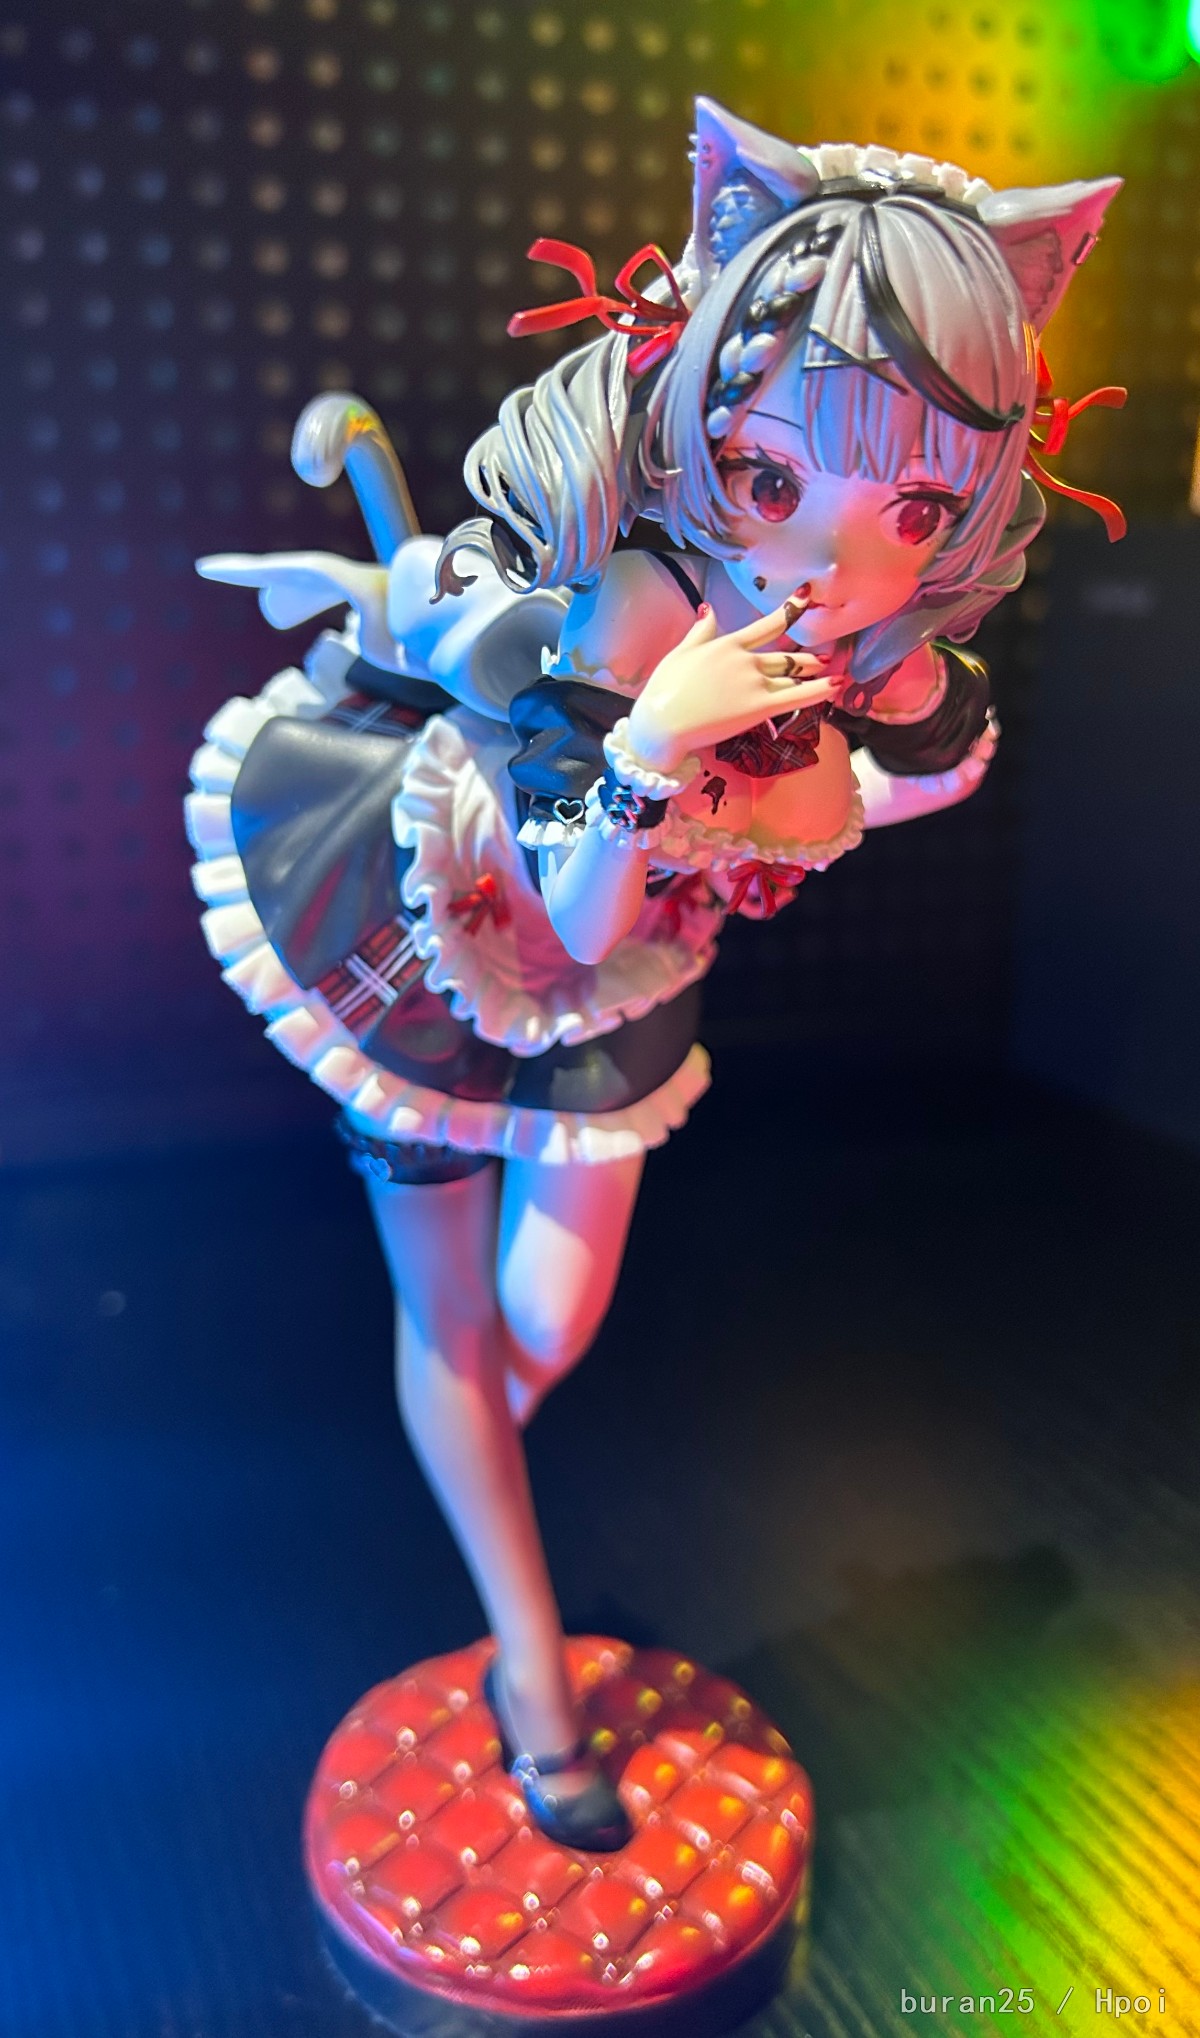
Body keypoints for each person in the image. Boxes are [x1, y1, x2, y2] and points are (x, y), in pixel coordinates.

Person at [188, 101, 1123, 1852]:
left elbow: (873, 792)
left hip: (624, 983)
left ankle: (460, 1445)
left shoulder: (858, 644)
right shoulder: (632, 608)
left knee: (536, 1331)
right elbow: (570, 897)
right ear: (702, 424)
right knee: (459, 1322)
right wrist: (652, 746)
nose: (830, 556)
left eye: (914, 501)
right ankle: (531, 1668)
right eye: (773, 480)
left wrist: (872, 752)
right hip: (452, 925)